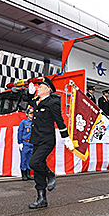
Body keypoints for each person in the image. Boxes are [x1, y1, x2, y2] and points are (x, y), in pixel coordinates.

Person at [28, 76, 74, 209]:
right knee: (37, 169)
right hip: (36, 139)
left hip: (47, 140)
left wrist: (65, 137)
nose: (38, 88)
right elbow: (28, 101)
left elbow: (59, 120)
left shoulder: (53, 102)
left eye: (41, 87)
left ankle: (50, 174)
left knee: (34, 162)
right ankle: (41, 199)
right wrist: (28, 92)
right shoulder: (38, 101)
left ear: (48, 90)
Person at [18, 108, 34, 181]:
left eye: (32, 113)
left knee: (30, 159)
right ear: (27, 114)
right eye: (30, 113)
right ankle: (23, 174)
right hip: (25, 143)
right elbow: (20, 132)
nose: (32, 115)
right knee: (23, 158)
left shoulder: (35, 122)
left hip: (32, 143)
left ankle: (28, 173)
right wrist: (20, 142)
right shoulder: (23, 122)